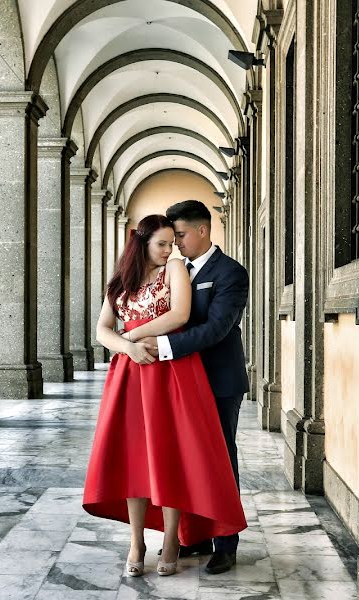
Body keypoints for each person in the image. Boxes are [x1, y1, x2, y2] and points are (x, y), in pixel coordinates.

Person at [82, 214, 246, 578]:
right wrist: (127, 346)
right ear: (142, 243)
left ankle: (192, 540)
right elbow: (101, 330)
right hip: (130, 373)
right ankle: (138, 541)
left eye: (175, 241)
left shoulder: (178, 270)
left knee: (180, 455)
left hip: (174, 372)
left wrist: (133, 337)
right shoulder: (120, 281)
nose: (171, 248)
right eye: (164, 243)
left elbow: (181, 315)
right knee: (134, 457)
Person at [136, 199, 250, 575]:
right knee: (184, 460)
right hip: (178, 384)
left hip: (218, 381)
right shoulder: (172, 269)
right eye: (170, 238)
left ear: (203, 230)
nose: (175, 244)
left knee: (218, 461)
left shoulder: (231, 273)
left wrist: (163, 346)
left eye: (181, 235)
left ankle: (226, 543)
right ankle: (195, 535)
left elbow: (217, 329)